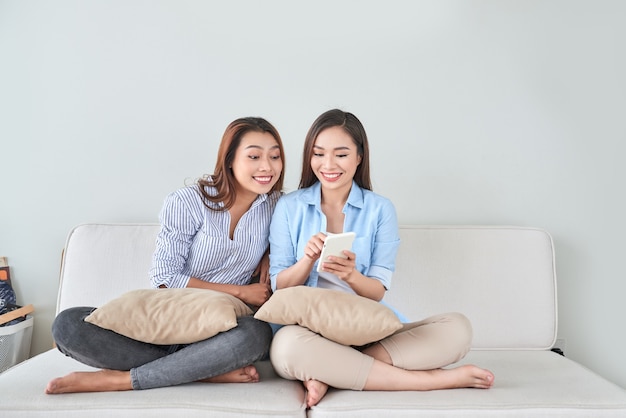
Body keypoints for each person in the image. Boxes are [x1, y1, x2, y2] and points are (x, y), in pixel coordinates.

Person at [268, 109, 494, 408]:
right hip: (306, 332)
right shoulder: (289, 207)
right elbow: (279, 288)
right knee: (286, 349)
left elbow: (376, 291)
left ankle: (329, 372)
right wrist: (307, 260)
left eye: (341, 154)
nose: (328, 165)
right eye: (319, 154)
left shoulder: (380, 209)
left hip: (365, 331)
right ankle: (434, 380)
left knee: (457, 328)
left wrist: (351, 275)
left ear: (359, 157)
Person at [46, 116, 285, 394]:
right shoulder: (188, 201)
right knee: (67, 325)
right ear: (230, 159)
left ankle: (129, 377)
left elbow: (301, 231)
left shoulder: (277, 206)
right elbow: (165, 277)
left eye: (275, 156)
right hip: (166, 325)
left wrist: (270, 250)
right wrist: (240, 292)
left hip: (218, 331)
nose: (267, 166)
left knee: (256, 335)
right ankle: (200, 372)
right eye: (254, 156)